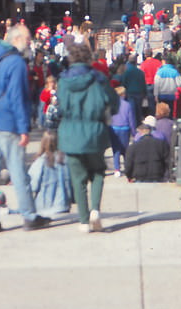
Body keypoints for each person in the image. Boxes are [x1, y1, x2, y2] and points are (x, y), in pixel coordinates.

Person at [0, 24, 50, 234]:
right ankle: (29, 216)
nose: (29, 44)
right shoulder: (15, 62)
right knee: (17, 171)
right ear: (16, 39)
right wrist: (24, 128)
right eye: (27, 40)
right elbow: (18, 97)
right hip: (7, 123)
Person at [56, 41, 119, 233]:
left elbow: (60, 107)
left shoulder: (63, 81)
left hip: (70, 132)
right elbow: (114, 103)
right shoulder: (99, 78)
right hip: (95, 131)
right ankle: (95, 211)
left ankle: (83, 220)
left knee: (78, 178)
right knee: (98, 172)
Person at [28, 131, 73, 218]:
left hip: (44, 206)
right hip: (63, 205)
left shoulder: (40, 161)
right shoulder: (65, 159)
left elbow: (33, 185)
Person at [108, 86, 136, 177]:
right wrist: (133, 132)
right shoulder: (127, 105)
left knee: (116, 150)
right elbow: (131, 119)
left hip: (114, 128)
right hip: (125, 129)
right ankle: (127, 168)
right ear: (123, 94)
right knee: (125, 150)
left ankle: (117, 169)